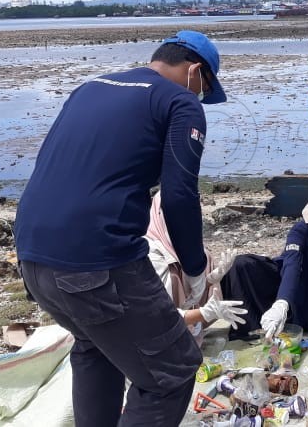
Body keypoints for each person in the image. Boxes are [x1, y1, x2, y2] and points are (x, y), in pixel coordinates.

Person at [13, 30, 227, 427]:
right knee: (173, 371)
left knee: (96, 347)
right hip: (95, 261)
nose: (200, 100)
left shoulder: (90, 87)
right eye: (204, 90)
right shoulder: (179, 102)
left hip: (31, 253)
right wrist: (195, 269)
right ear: (195, 71)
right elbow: (179, 195)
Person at [220, 185, 308, 356]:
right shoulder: (301, 230)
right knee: (241, 265)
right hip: (292, 284)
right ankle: (253, 332)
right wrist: (281, 303)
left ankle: (296, 320)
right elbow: (292, 266)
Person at [145, 191, 246, 345]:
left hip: (189, 337)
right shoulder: (150, 255)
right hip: (158, 343)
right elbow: (157, 315)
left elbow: (192, 302)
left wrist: (211, 281)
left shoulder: (195, 253)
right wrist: (202, 313)